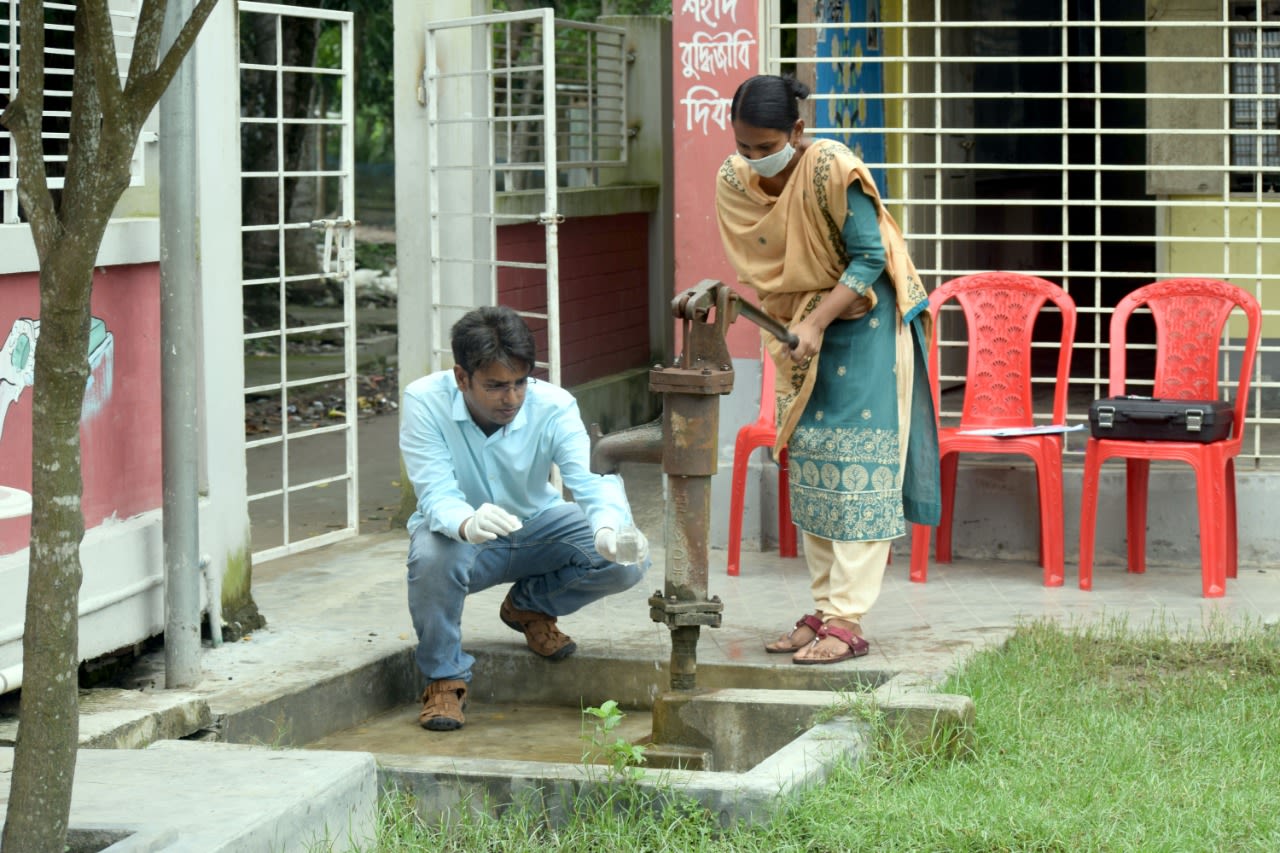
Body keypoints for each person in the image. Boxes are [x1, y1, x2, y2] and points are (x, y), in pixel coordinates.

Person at [715, 74, 940, 665]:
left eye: (767, 148)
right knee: (813, 462)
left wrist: (818, 323)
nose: (755, 161)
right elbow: (767, 271)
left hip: (865, 319)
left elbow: (870, 257)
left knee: (860, 464)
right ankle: (823, 610)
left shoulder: (831, 169)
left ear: (797, 131)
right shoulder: (735, 181)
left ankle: (848, 619)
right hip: (800, 325)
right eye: (744, 147)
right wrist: (803, 323)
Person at [399, 305, 649, 730]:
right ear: (462, 377)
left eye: (519, 383)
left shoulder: (554, 404)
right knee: (430, 555)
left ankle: (529, 607)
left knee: (629, 561)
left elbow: (591, 480)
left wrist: (609, 528)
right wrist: (465, 523)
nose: (511, 398)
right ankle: (444, 678)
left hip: (538, 528)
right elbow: (436, 492)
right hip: (461, 538)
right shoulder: (424, 401)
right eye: (496, 386)